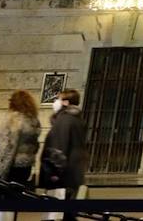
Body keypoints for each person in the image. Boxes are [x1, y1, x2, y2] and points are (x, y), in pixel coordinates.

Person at [39, 88, 88, 221]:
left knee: (56, 213)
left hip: (62, 175)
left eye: (58, 99)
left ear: (65, 102)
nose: (55, 102)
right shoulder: (76, 118)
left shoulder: (64, 120)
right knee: (67, 213)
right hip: (73, 172)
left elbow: (59, 147)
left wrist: (53, 173)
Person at [0, 90, 41, 198]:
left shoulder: (13, 119)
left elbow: (7, 147)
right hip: (26, 165)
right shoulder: (33, 121)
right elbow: (35, 146)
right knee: (14, 200)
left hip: (12, 166)